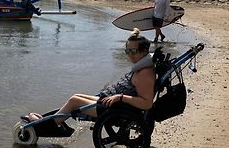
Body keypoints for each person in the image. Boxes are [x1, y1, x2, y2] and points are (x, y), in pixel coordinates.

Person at [26, 28, 156, 124]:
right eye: (127, 51)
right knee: (77, 96)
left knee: (74, 101)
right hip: (110, 101)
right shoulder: (142, 67)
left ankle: (47, 124)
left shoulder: (145, 74)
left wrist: (120, 97)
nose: (130, 55)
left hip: (115, 108)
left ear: (144, 51)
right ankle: (50, 118)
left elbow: (147, 103)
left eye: (133, 51)